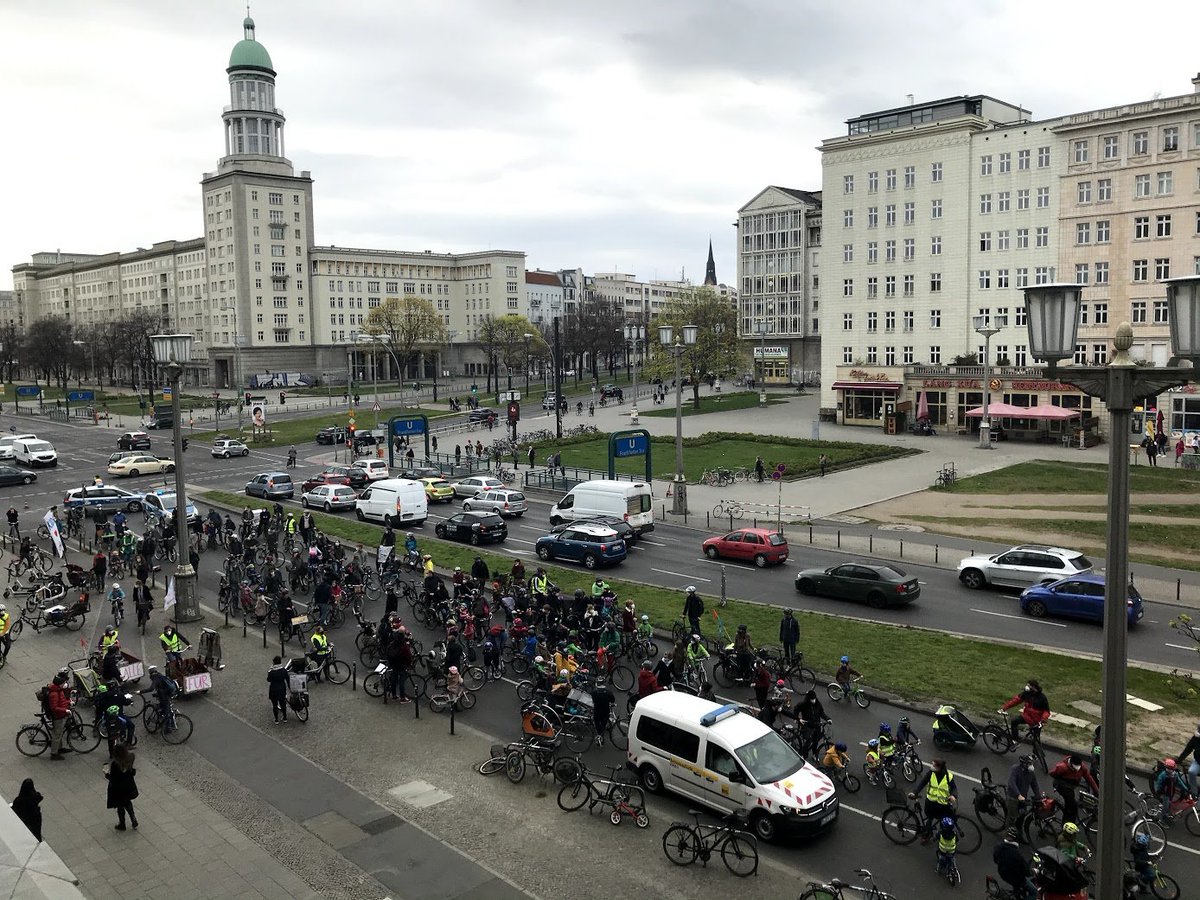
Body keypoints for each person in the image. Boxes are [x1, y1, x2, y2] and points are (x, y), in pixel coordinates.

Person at [909, 758, 957, 842]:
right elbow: (923, 783)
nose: (931, 766)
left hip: (942, 804)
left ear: (939, 768)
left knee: (943, 822)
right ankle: (928, 834)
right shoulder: (931, 773)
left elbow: (954, 788)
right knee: (929, 819)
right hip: (930, 803)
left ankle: (941, 835)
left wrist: (953, 795)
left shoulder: (948, 776)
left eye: (934, 765)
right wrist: (915, 792)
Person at [1047, 752, 1098, 825]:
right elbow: (1052, 773)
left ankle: (1068, 820)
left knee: (1070, 805)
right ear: (1070, 763)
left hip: (1071, 786)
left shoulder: (1082, 767)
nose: (1077, 769)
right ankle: (1067, 825)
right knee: (1072, 805)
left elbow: (1089, 779)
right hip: (1062, 786)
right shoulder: (1062, 767)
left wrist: (1096, 791)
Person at [1000, 678, 1051, 743]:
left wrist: (1043, 720)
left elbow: (1046, 711)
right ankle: (1015, 740)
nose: (1027, 687)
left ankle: (1036, 752)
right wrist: (1005, 707)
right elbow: (1016, 700)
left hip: (1036, 720)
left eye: (1029, 685)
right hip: (1027, 716)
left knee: (1036, 739)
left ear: (1033, 687)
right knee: (1014, 721)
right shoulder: (1027, 693)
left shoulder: (1042, 697)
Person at [105, 743, 139, 830]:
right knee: (127, 802)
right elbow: (131, 772)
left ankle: (122, 823)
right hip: (128, 786)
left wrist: (106, 774)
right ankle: (133, 819)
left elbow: (113, 778)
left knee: (120, 805)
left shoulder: (115, 765)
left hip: (118, 789)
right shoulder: (130, 758)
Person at [993, 829, 1032, 900]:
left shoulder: (998, 847)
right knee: (1033, 892)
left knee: (1016, 886)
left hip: (1003, 873)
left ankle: (1017, 894)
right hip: (1016, 878)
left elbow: (995, 860)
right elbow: (1026, 871)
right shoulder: (1017, 855)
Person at [42, 670, 71, 761]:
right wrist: (65, 710)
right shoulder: (54, 693)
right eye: (63, 683)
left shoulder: (58, 690)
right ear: (60, 684)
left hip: (61, 715)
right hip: (58, 716)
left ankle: (60, 748)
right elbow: (54, 708)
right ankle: (54, 753)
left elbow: (62, 701)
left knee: (59, 733)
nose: (65, 684)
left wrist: (69, 702)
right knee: (56, 735)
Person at [1005, 754, 1042, 827]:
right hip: (1013, 797)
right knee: (1012, 817)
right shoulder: (1015, 769)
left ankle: (1019, 831)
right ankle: (1008, 835)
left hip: (1023, 798)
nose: (1031, 765)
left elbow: (1034, 785)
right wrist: (1018, 795)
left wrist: (1038, 796)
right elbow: (1011, 783)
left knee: (1022, 816)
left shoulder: (1031, 772)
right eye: (1029, 763)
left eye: (1031, 763)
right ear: (1023, 764)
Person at [146, 664, 178, 734]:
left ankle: (167, 729)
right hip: (169, 693)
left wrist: (140, 691)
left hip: (164, 696)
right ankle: (170, 723)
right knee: (167, 710)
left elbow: (151, 689)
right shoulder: (161, 676)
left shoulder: (155, 678)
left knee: (167, 712)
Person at [1177, 721, 1200, 796]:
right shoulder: (1196, 738)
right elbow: (1188, 749)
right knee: (1191, 772)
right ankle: (1194, 792)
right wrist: (1179, 760)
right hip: (1198, 761)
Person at [267, 656, 289, 723]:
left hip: (273, 689)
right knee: (283, 704)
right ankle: (285, 718)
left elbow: (268, 679)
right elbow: (287, 679)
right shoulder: (284, 671)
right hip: (282, 689)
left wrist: (269, 671)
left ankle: (276, 719)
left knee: (275, 705)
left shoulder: (272, 672)